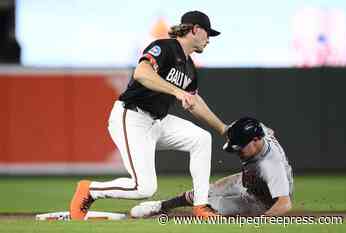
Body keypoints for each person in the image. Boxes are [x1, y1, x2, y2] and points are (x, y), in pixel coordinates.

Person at [69, 11, 227, 220]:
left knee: (201, 139)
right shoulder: (165, 47)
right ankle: (91, 190)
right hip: (132, 116)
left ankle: (201, 206)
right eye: (208, 34)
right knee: (143, 188)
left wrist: (223, 128)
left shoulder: (189, 67)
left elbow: (194, 102)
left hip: (157, 122)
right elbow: (141, 73)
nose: (209, 40)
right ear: (195, 29)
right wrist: (176, 91)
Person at [130, 117, 294, 217]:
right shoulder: (259, 131)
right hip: (251, 177)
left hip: (262, 200)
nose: (238, 152)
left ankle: (160, 207)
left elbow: (285, 204)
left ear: (256, 139)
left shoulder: (271, 165)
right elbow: (268, 130)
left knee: (213, 205)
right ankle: (161, 206)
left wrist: (260, 221)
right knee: (205, 192)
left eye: (240, 147)